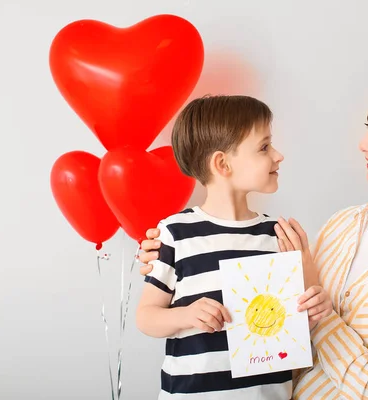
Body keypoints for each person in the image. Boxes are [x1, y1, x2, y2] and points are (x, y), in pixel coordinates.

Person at [139, 71, 368, 399]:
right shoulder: (343, 226)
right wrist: (168, 257)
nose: (363, 143)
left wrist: (318, 308)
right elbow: (273, 323)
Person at [135, 95, 333, 400]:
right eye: (264, 147)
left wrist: (310, 308)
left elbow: (288, 328)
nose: (278, 156)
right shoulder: (175, 234)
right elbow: (146, 317)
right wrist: (185, 315)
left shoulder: (277, 235)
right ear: (223, 164)